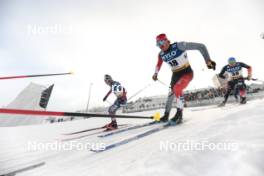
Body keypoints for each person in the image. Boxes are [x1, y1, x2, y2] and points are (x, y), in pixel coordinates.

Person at [152, 33, 216, 125]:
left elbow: (201, 46)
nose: (160, 45)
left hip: (186, 73)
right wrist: (155, 73)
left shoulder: (179, 46)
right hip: (175, 75)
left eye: (161, 42)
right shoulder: (161, 54)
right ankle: (166, 115)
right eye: (158, 44)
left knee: (177, 89)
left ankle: (179, 115)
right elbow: (158, 64)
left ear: (167, 40)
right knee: (170, 94)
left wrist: (208, 61)